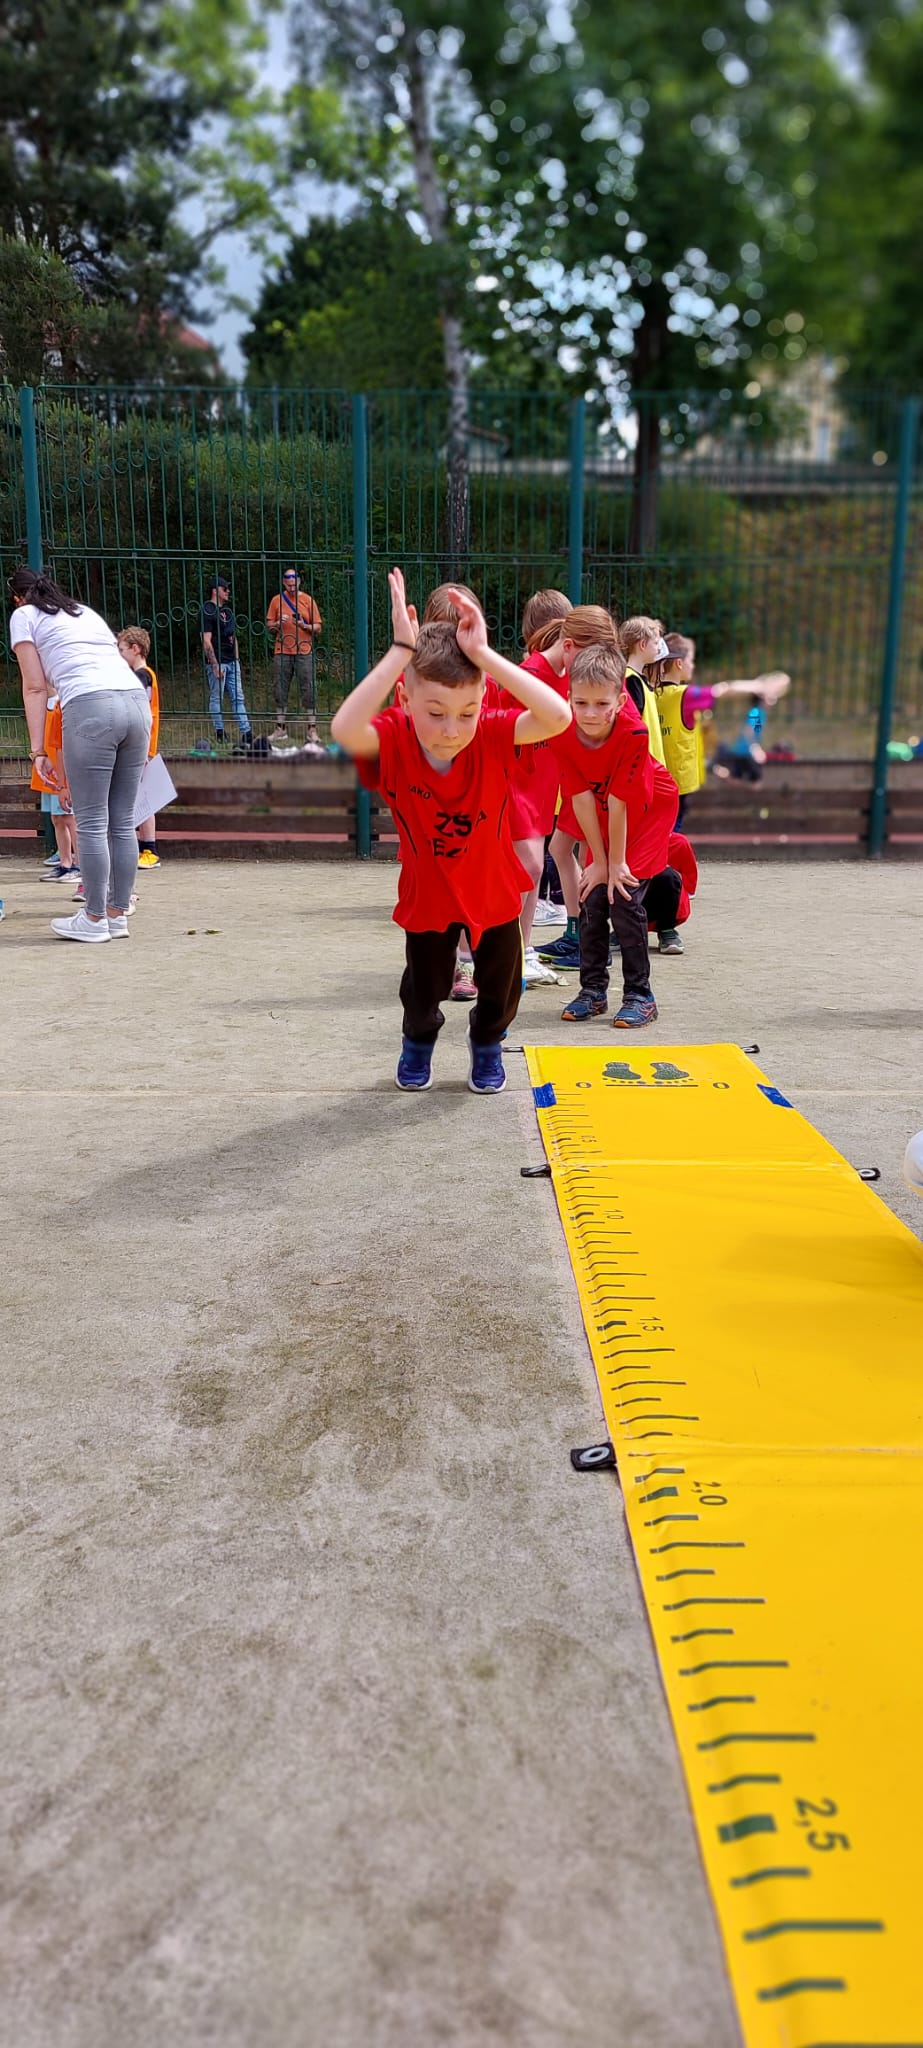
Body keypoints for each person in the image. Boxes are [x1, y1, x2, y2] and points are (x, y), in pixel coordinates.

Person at [330, 568, 572, 1094]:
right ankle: (418, 1042)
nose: (451, 729)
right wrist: (401, 650)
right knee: (424, 988)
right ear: (405, 700)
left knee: (502, 986)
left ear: (483, 701)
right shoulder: (396, 739)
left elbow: (557, 716)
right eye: (436, 712)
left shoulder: (491, 734)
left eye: (466, 712)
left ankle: (487, 1043)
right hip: (429, 896)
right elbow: (344, 728)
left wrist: (484, 656)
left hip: (495, 891)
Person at [9, 566, 151, 942]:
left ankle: (92, 919)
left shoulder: (23, 616)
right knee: (122, 821)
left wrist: (38, 750)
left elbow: (35, 687)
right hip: (136, 704)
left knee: (90, 822)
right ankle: (116, 916)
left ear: (18, 598)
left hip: (91, 708)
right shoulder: (83, 612)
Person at [555, 646, 678, 1028]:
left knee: (623, 894)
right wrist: (598, 861)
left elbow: (622, 802)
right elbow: (581, 798)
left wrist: (616, 862)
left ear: (621, 701)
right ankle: (593, 991)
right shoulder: (562, 729)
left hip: (648, 808)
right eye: (581, 703)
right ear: (569, 697)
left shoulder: (633, 732)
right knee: (592, 893)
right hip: (603, 805)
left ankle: (641, 995)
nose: (590, 713)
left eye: (601, 704)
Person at [505, 595, 616, 985]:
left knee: (534, 869)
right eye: (588, 656)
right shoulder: (530, 675)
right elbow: (503, 732)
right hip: (515, 784)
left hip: (542, 786)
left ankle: (521, 952)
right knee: (529, 867)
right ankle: (499, 956)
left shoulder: (569, 675)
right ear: (568, 646)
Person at [652, 634, 790, 824]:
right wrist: (758, 686)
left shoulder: (649, 692)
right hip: (679, 779)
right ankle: (731, 783)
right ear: (679, 664)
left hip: (658, 777)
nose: (693, 665)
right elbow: (726, 693)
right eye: (691, 660)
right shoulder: (685, 696)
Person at [117, 625, 162, 865]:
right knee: (141, 798)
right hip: (144, 745)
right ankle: (145, 849)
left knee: (142, 799)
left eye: (122, 650)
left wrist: (142, 750)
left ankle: (149, 850)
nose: (120, 655)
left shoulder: (142, 676)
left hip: (142, 746)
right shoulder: (145, 675)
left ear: (135, 649)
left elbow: (140, 711)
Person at [267, 569, 322, 740]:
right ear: (284, 583)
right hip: (282, 650)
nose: (291, 588)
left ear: (299, 582)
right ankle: (280, 728)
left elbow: (318, 627)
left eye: (294, 584)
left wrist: (304, 625)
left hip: (304, 650)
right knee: (280, 689)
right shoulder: (276, 600)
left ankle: (312, 729)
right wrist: (277, 623)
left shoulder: (308, 600)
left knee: (308, 688)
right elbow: (269, 626)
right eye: (288, 585)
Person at [200, 574, 252, 747]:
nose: (228, 591)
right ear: (215, 591)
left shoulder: (227, 612)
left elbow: (232, 637)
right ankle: (220, 732)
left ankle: (247, 733)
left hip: (231, 661)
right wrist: (214, 664)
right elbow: (206, 640)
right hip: (218, 660)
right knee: (217, 698)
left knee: (238, 697)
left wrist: (236, 659)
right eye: (225, 588)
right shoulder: (207, 610)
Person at [619, 617, 668, 765]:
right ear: (642, 645)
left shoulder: (639, 679)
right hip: (642, 765)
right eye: (656, 643)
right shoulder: (631, 680)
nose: (658, 649)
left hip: (650, 764)